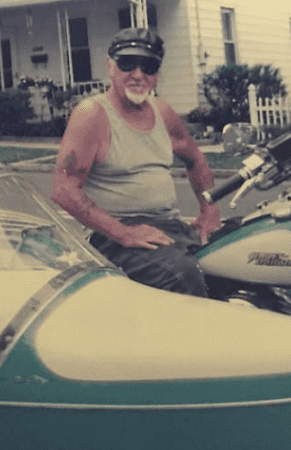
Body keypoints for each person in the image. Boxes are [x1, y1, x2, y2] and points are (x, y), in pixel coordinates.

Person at [51, 27, 221, 296]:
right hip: (111, 236)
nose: (138, 74)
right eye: (127, 63)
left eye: (149, 65)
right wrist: (123, 233)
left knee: (235, 255)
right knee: (184, 276)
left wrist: (209, 211)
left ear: (157, 74)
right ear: (110, 67)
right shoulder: (91, 114)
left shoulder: (162, 111)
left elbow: (195, 159)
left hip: (169, 227)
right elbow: (63, 189)